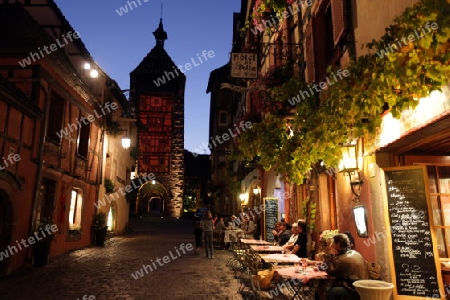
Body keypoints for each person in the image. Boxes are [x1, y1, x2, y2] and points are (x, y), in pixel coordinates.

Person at [319, 233, 369, 300]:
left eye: (333, 243)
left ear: (338, 244)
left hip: (353, 289)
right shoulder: (355, 253)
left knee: (325, 290)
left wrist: (330, 255)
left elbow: (326, 269)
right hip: (362, 286)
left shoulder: (342, 259)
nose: (332, 245)